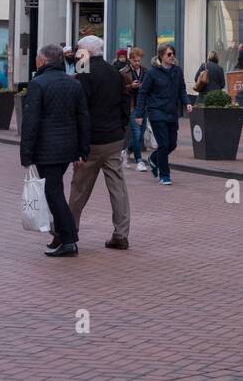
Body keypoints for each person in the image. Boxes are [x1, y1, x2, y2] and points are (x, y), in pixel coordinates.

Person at [19, 42, 90, 258]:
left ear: (43, 60)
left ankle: (69, 239)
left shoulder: (38, 84)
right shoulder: (73, 83)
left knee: (53, 193)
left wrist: (26, 154)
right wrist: (82, 149)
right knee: (55, 191)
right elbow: (83, 118)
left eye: (37, 58)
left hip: (46, 149)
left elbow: (30, 122)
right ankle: (62, 236)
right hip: (67, 147)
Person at [68, 35, 132, 250]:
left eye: (79, 50)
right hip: (114, 137)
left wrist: (78, 141)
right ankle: (121, 233)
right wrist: (121, 127)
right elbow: (125, 102)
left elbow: (80, 108)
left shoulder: (84, 71)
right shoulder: (114, 71)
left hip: (92, 140)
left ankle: (69, 229)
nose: (77, 53)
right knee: (117, 187)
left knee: (79, 187)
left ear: (86, 52)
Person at [134, 44, 192, 186]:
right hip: (156, 112)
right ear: (161, 56)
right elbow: (143, 93)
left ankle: (154, 158)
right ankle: (164, 175)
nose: (172, 56)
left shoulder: (177, 71)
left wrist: (187, 102)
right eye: (169, 54)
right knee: (164, 144)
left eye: (173, 53)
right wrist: (139, 114)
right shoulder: (152, 73)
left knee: (172, 144)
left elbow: (182, 89)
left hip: (172, 113)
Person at [120, 47, 148, 170]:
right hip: (131, 107)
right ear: (130, 60)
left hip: (142, 106)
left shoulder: (145, 71)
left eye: (139, 60)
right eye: (135, 60)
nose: (137, 63)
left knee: (140, 135)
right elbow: (120, 90)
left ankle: (126, 152)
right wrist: (131, 86)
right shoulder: (123, 72)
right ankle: (139, 161)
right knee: (136, 133)